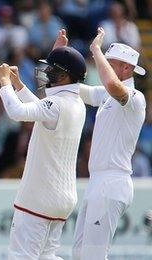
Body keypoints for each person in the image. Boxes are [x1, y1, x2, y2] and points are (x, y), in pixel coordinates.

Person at [0, 46, 86, 258]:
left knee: (21, 256)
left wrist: (5, 83)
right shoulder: (77, 103)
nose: (46, 73)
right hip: (62, 200)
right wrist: (18, 85)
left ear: (63, 75)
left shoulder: (55, 104)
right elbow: (43, 110)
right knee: (46, 256)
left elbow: (17, 112)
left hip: (38, 199)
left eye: (51, 69)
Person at [70, 28, 146, 259]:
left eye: (110, 64)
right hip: (98, 182)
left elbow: (113, 87)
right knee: (79, 254)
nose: (103, 69)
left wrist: (95, 50)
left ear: (127, 68)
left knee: (93, 255)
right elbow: (75, 90)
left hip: (112, 181)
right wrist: (59, 63)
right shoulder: (105, 94)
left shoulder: (135, 98)